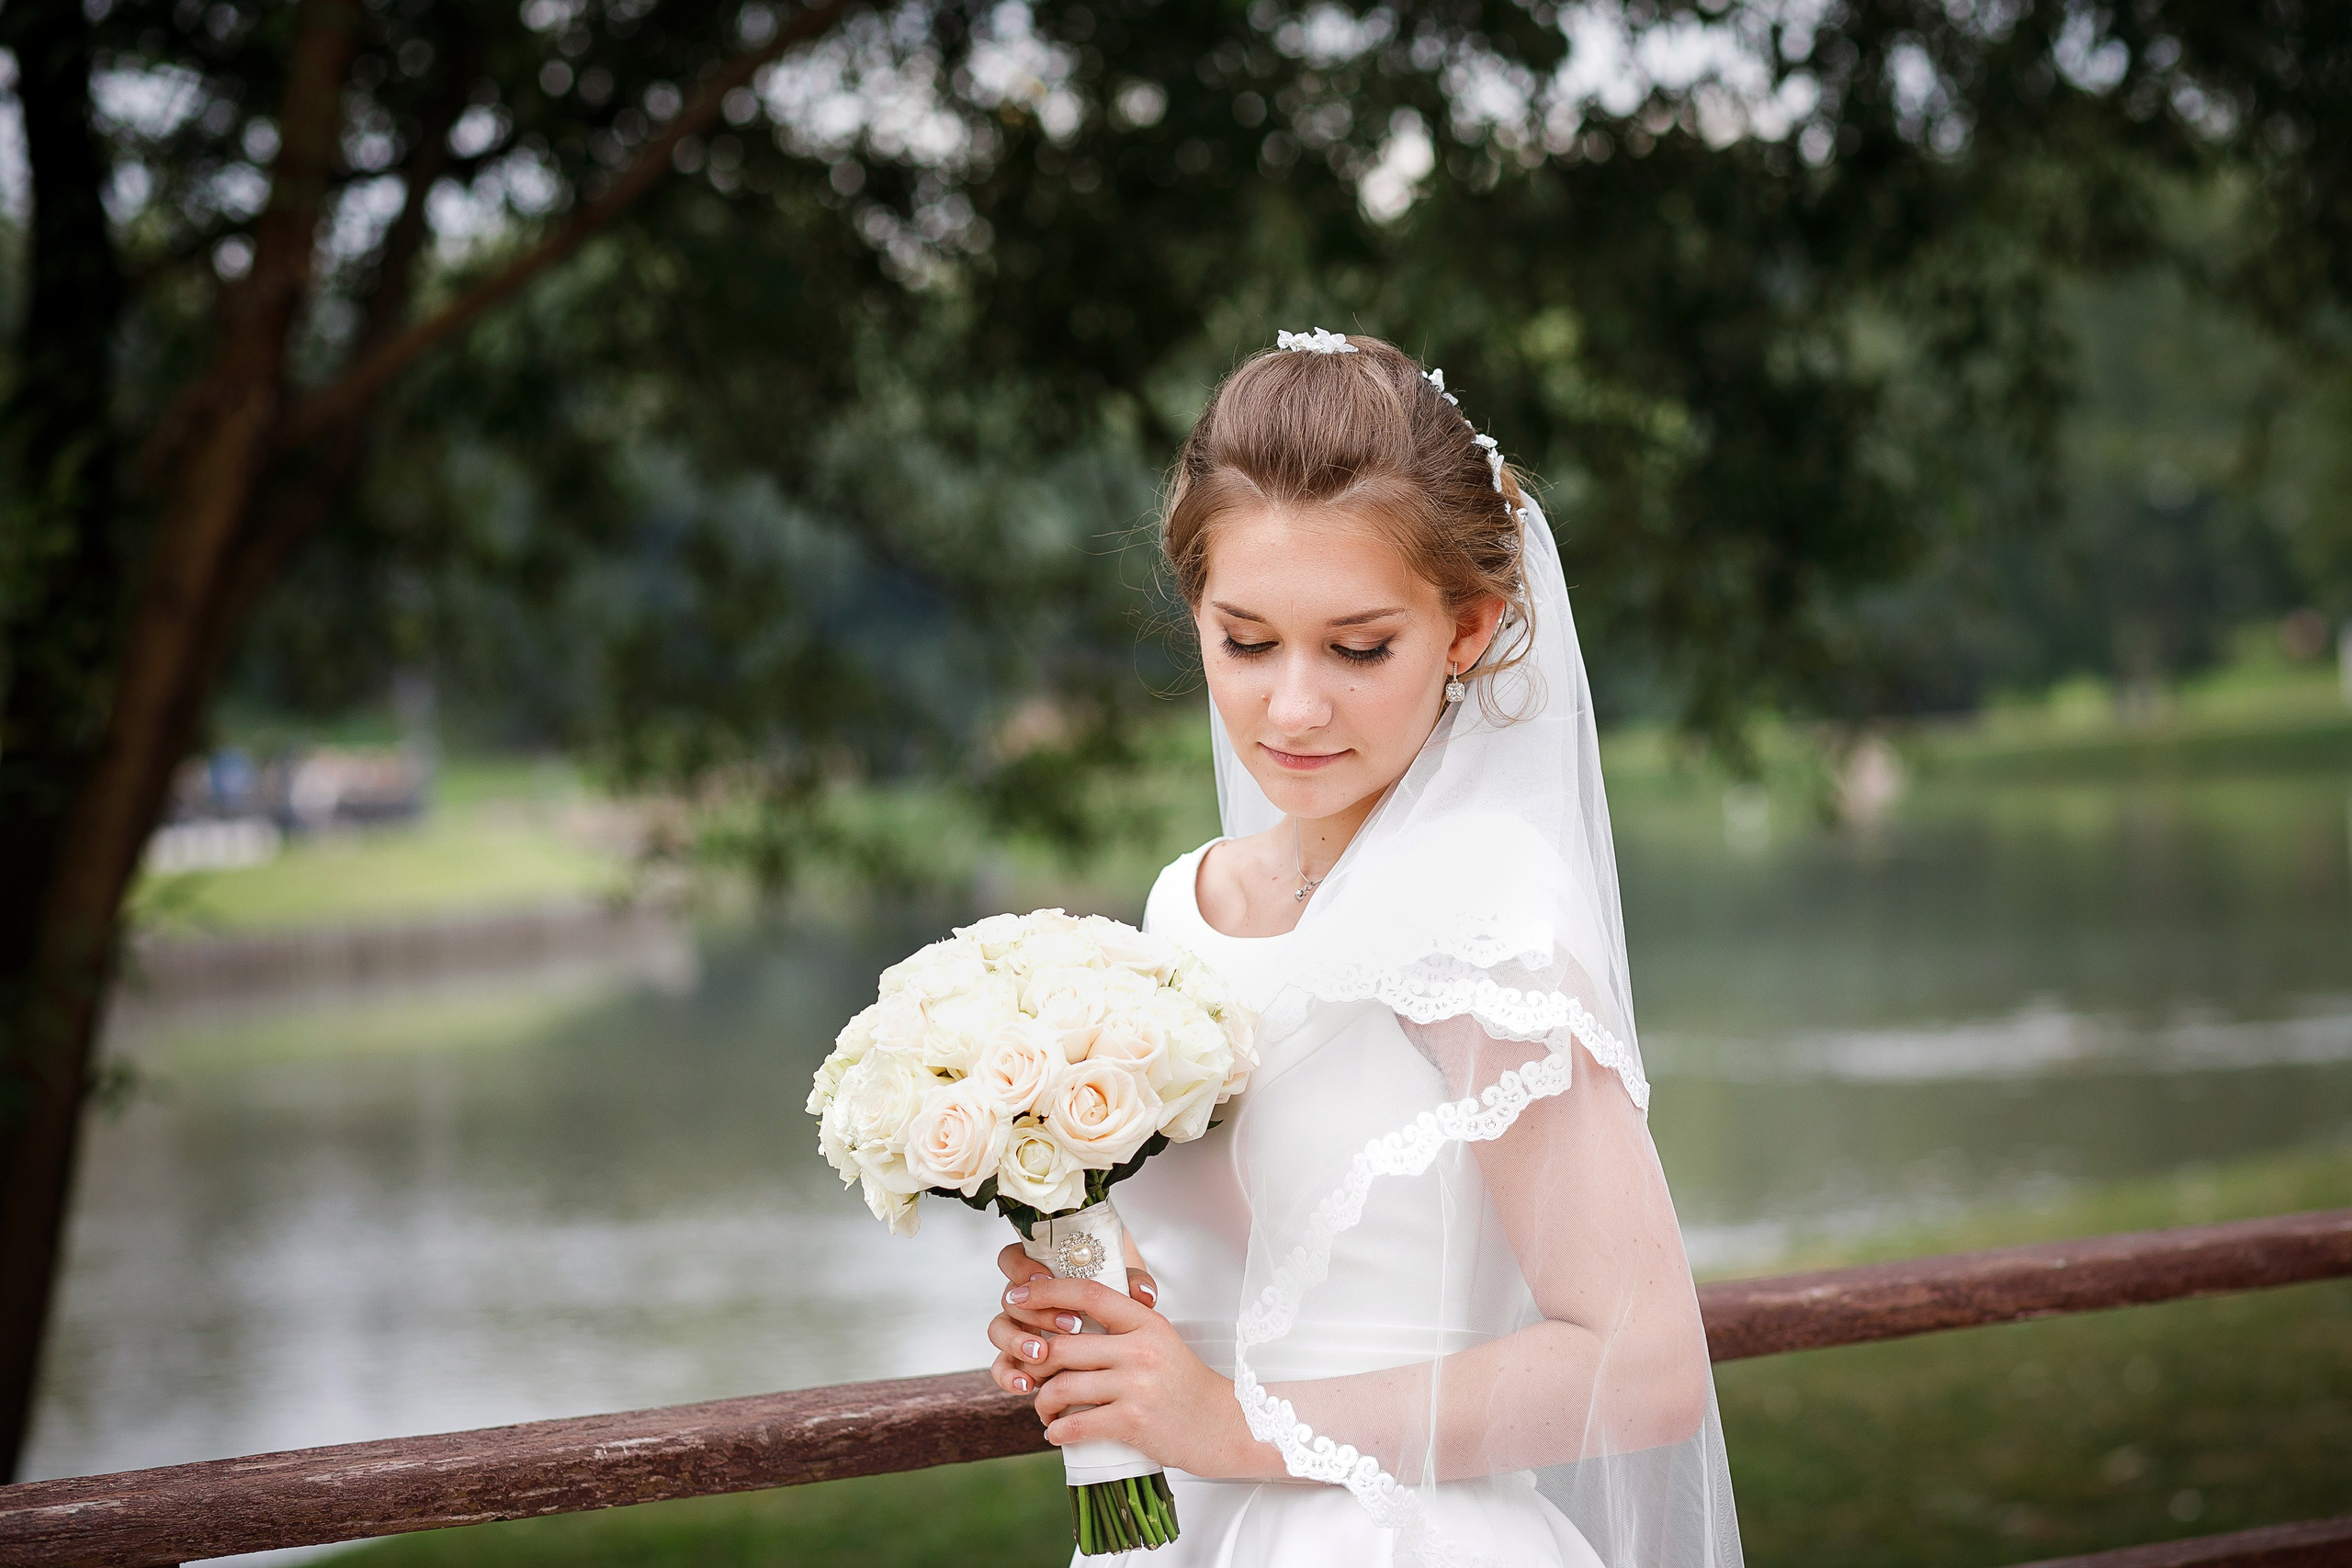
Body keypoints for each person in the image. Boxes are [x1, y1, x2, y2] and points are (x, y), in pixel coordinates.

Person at [985, 330, 1743, 1566]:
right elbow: (1234, 1260)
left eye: (1356, 647)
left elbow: (1643, 1364)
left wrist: (1230, 1422)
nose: (1290, 707)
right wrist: (1097, 1315)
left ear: (1467, 628)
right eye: (1246, 640)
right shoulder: (1186, 907)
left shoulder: (1477, 922)